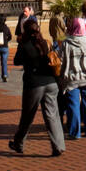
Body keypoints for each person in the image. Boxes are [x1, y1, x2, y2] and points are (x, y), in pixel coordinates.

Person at [9, 17, 65, 156]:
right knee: (52, 115)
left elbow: (17, 61)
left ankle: (18, 143)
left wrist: (21, 45)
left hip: (34, 83)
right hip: (51, 82)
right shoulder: (45, 43)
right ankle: (58, 145)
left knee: (27, 115)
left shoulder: (25, 44)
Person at [61, 17, 86, 139]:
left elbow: (61, 60)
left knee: (73, 105)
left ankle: (74, 132)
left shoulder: (66, 43)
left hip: (72, 77)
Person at [0, 14, 12, 81]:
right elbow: (10, 36)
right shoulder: (6, 28)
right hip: (4, 46)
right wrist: (6, 41)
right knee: (4, 62)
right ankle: (4, 75)